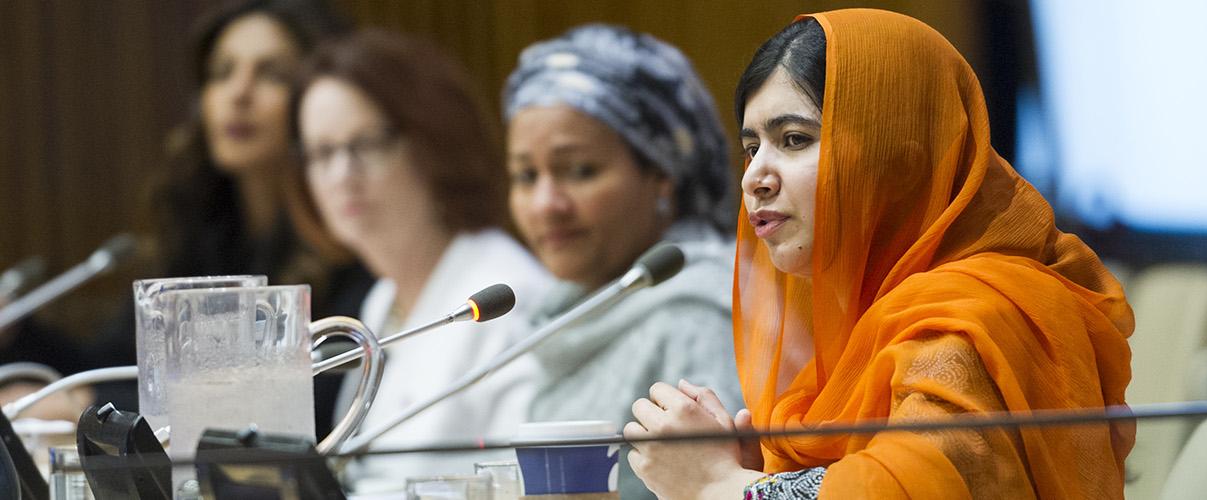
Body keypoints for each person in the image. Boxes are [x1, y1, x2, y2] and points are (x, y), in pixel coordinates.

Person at [625, 9, 1134, 499]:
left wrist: (720, 488)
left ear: (900, 166)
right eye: (753, 147)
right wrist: (752, 477)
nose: (754, 177)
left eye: (794, 139)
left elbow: (909, 490)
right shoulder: (862, 330)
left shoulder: (968, 321)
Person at [81, 0, 371, 436]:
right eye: (221, 73)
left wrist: (85, 406)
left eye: (272, 74)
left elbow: (312, 406)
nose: (239, 93)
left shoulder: (351, 241)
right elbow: (106, 365)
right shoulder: (204, 229)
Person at [294, 29, 551, 490]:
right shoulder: (383, 298)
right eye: (322, 152)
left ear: (432, 140)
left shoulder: (501, 293)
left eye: (365, 144)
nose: (341, 175)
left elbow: (521, 483)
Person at [502, 24, 743, 500]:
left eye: (579, 171)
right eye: (526, 176)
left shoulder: (697, 315)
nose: (545, 203)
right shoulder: (571, 308)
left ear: (661, 177)